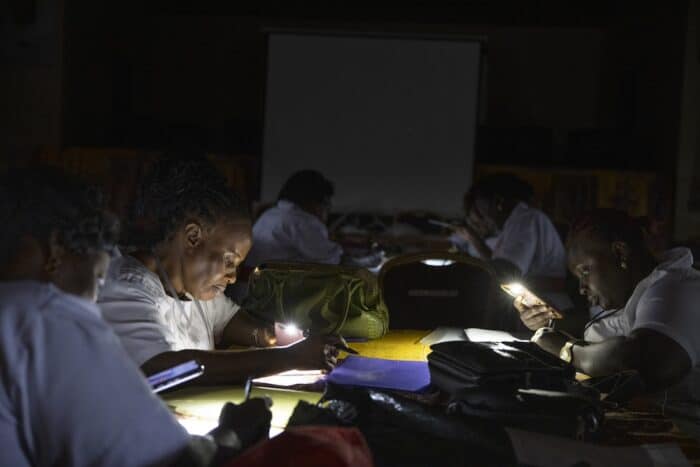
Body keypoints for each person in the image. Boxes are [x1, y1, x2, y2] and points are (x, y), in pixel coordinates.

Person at [98, 156, 339, 384]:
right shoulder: (125, 286)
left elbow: (230, 320)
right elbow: (161, 367)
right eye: (229, 261)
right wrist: (289, 357)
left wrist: (282, 338)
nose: (233, 278)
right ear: (193, 237)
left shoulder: (191, 288)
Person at [531, 209, 700, 402]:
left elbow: (642, 360)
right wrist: (549, 323)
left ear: (620, 253)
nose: (582, 288)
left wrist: (567, 350)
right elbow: (607, 334)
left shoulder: (678, 286)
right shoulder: (635, 295)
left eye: (585, 271)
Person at [454, 173, 572, 314]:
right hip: (539, 307)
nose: (482, 218)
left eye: (480, 210)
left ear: (498, 202)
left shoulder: (525, 220)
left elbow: (504, 272)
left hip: (548, 307)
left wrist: (463, 264)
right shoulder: (514, 224)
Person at [245, 170, 343, 266]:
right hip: (275, 275)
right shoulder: (300, 220)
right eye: (325, 204)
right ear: (314, 201)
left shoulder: (270, 214)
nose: (324, 209)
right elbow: (330, 256)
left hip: (255, 272)